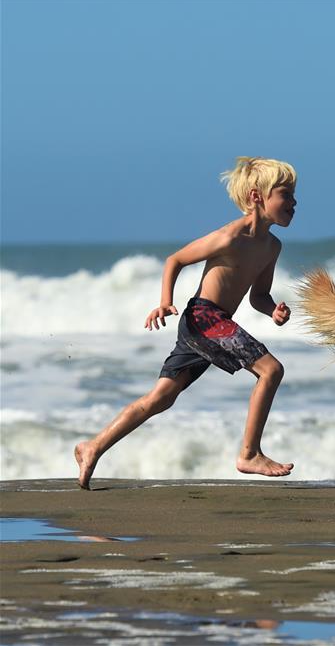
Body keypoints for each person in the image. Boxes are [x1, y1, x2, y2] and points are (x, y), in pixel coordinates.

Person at [75, 157, 298, 489]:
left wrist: (272, 311)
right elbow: (175, 259)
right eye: (285, 194)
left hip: (212, 325)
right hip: (203, 318)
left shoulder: (271, 246)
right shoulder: (229, 238)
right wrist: (166, 301)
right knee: (271, 370)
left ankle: (92, 446)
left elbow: (258, 296)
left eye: (294, 195)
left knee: (161, 398)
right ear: (257, 197)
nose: (293, 202)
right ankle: (249, 454)